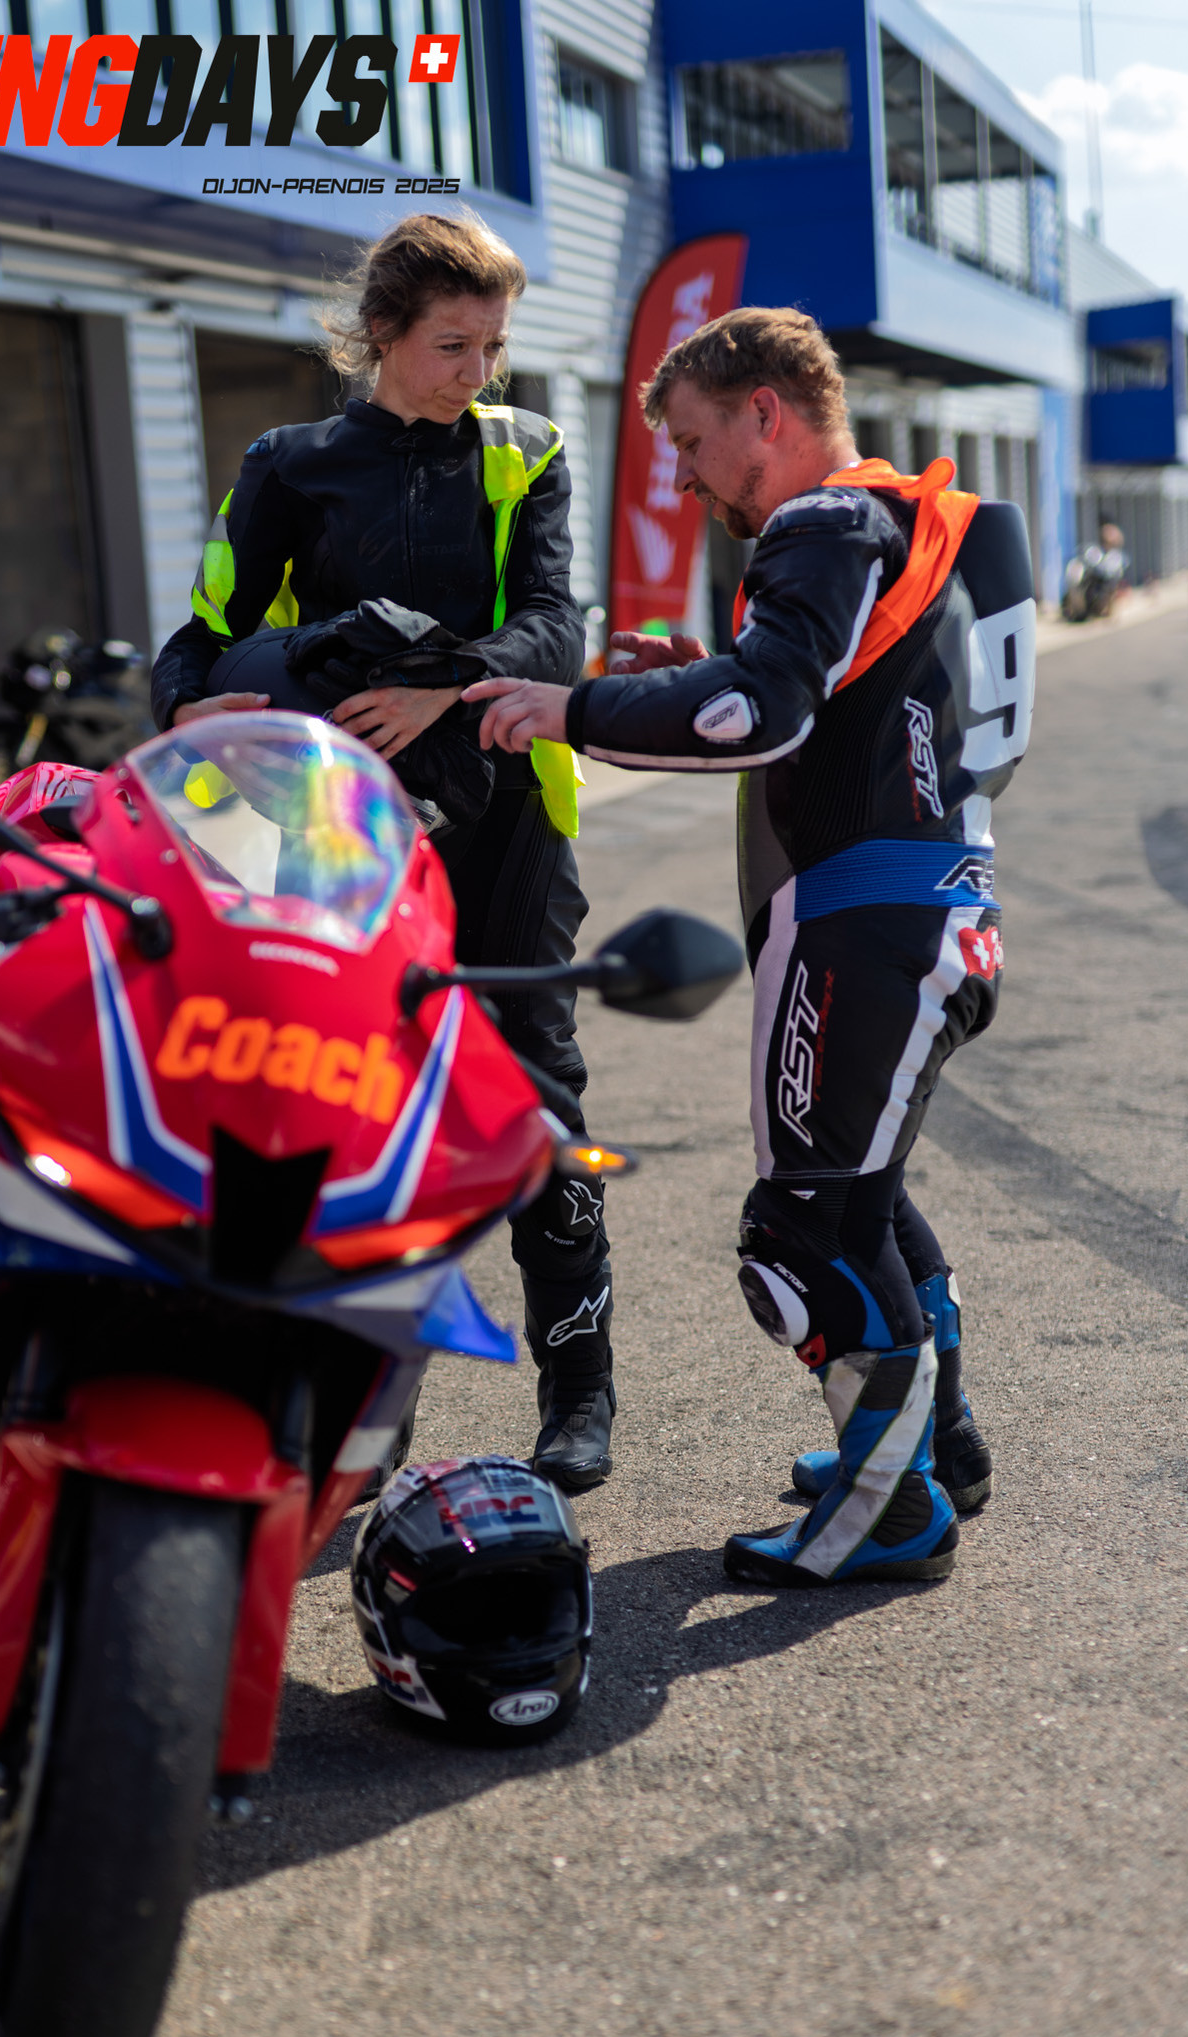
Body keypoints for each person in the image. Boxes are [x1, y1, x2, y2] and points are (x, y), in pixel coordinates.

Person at [467, 306, 1037, 1588]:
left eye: (689, 440)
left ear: (764, 414)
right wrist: (699, 674)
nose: (682, 475)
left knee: (801, 1233)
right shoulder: (901, 518)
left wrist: (569, 707)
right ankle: (934, 1454)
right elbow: (832, 704)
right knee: (863, 1200)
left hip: (865, 926)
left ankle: (888, 1515)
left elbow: (755, 712)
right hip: (931, 910)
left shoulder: (822, 521)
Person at [149, 213, 615, 1491]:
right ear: (380, 336)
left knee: (532, 1094)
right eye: (453, 344)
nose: (479, 371)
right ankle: (370, 1406)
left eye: (494, 346)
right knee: (347, 1105)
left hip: (509, 817)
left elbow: (556, 625)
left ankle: (578, 1383)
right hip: (334, 833)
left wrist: (441, 687)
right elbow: (203, 638)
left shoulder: (527, 450)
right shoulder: (289, 463)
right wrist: (184, 710)